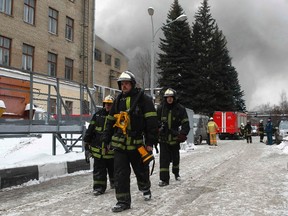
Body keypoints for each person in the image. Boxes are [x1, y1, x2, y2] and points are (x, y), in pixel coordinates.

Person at [102, 71, 158, 212]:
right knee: (120, 173)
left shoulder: (143, 100)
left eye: (126, 83)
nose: (124, 86)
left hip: (137, 143)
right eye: (122, 84)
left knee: (141, 170)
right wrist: (106, 140)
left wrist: (150, 142)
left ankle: (145, 188)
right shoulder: (118, 100)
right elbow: (110, 122)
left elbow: (151, 122)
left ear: (132, 84)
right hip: (121, 144)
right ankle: (123, 201)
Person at [157, 88, 190, 187]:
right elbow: (154, 122)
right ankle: (164, 179)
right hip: (164, 139)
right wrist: (159, 129)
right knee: (164, 160)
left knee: (176, 158)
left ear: (174, 98)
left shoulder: (180, 109)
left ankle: (176, 173)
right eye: (167, 98)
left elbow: (186, 123)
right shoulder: (160, 109)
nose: (169, 99)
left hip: (175, 139)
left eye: (171, 97)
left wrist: (183, 134)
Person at [83, 95, 115, 196]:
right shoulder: (97, 115)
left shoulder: (117, 116)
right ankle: (99, 188)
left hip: (111, 151)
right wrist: (86, 143)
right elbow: (91, 129)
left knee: (114, 169)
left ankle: (115, 184)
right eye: (106, 104)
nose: (107, 106)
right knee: (98, 170)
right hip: (98, 150)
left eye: (110, 104)